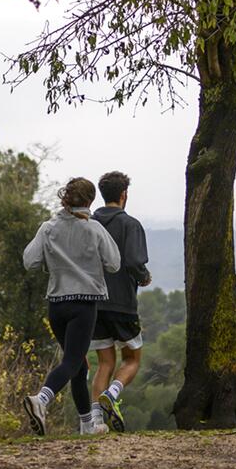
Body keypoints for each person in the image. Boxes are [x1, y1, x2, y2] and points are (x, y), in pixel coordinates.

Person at [21, 177, 120, 436]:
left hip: (56, 304)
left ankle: (87, 425)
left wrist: (53, 263)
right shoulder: (94, 229)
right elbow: (114, 263)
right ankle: (40, 400)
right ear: (90, 201)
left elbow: (29, 261)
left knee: (78, 365)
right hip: (83, 304)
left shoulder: (48, 227)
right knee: (73, 361)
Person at [89, 170, 150, 431]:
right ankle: (112, 394)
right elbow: (135, 261)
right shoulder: (131, 224)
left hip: (93, 302)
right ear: (124, 195)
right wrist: (144, 276)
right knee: (132, 358)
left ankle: (93, 421)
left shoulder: (89, 224)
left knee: (104, 362)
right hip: (123, 302)